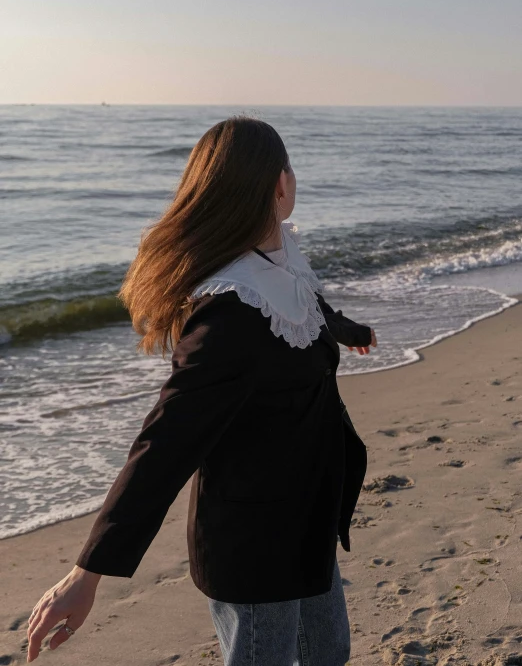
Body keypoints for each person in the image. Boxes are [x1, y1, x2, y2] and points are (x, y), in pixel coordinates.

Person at [26, 117, 377, 665]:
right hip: (257, 542)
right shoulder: (231, 311)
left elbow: (305, 302)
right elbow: (165, 444)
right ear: (278, 185)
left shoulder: (277, 253)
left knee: (329, 653)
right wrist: (87, 572)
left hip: (307, 516)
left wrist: (346, 330)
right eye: (291, 170)